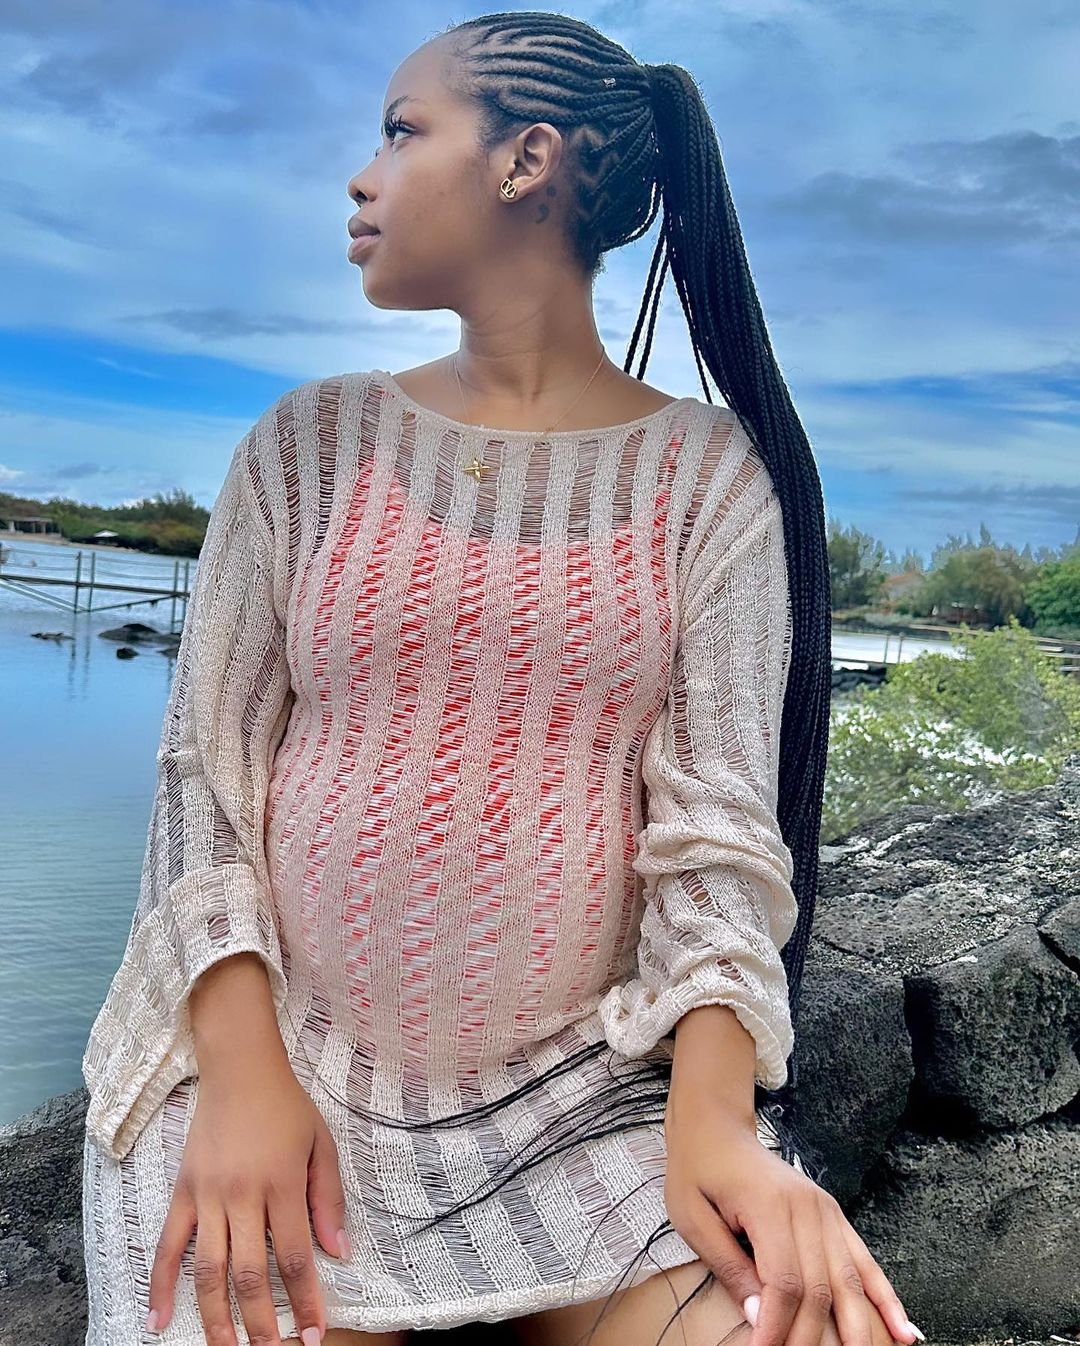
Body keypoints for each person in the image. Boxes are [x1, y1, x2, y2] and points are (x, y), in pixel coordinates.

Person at [80, 11, 926, 1346]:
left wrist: (715, 1126)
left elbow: (718, 839)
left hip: (582, 1109)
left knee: (814, 1330)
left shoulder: (707, 482)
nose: (363, 175)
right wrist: (242, 1081)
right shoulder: (308, 446)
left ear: (524, 161)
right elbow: (204, 787)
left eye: (401, 131)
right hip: (277, 1078)